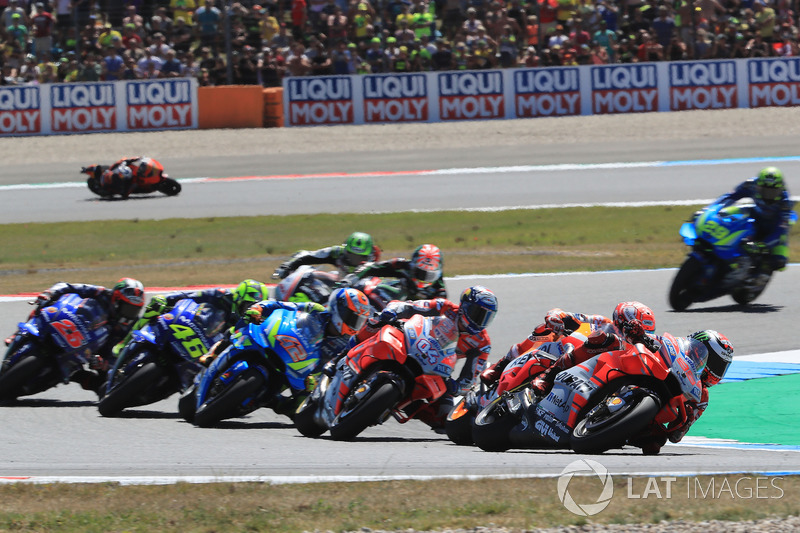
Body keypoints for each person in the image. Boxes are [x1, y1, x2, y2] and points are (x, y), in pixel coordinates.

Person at [202, 287, 373, 417]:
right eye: (352, 318)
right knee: (240, 327)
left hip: (302, 373)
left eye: (358, 321)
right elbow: (281, 306)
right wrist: (260, 309)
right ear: (338, 310)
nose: (354, 325)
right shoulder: (315, 309)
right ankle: (215, 353)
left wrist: (318, 380)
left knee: (299, 409)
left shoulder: (345, 343)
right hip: (283, 346)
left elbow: (338, 368)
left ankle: (268, 401)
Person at [353, 285, 499, 430]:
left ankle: (397, 404)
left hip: (435, 369)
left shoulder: (482, 344)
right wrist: (391, 311)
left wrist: (457, 387)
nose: (480, 321)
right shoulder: (444, 307)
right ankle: (348, 351)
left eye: (486, 318)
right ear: (465, 306)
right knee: (377, 324)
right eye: (477, 313)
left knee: (446, 419)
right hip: (412, 343)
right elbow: (409, 306)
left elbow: (470, 377)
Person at [480, 301, 656, 386]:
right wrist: (557, 317)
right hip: (565, 354)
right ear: (620, 322)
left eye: (646, 332)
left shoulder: (642, 349)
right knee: (544, 332)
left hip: (592, 378)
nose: (637, 334)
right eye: (634, 328)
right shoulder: (602, 323)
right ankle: (500, 366)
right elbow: (566, 315)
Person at [18, 279, 145, 395]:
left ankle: (74, 374)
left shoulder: (131, 326)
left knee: (104, 383)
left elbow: (122, 353)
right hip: (71, 327)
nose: (130, 314)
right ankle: (17, 335)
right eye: (128, 308)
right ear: (116, 299)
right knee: (44, 305)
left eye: (135, 310)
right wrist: (49, 293)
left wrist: (105, 364)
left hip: (92, 350)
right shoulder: (100, 293)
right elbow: (66, 286)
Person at [630, 330, 734, 454]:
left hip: (647, 417)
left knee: (655, 443)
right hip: (636, 372)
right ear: (699, 350)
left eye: (722, 367)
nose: (717, 371)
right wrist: (639, 333)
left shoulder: (702, 395)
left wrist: (685, 420)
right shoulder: (672, 346)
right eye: (716, 364)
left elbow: (675, 437)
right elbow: (646, 337)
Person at [114, 279, 271, 357]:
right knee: (155, 307)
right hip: (193, 327)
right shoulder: (222, 295)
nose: (248, 311)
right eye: (246, 306)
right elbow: (191, 295)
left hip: (208, 350)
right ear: (238, 298)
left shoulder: (251, 321)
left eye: (254, 308)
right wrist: (166, 299)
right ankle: (125, 342)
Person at [714, 166, 795, 274]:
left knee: (779, 261)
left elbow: (780, 230)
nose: (768, 195)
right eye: (765, 190)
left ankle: (758, 279)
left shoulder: (785, 202)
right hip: (754, 216)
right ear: (758, 186)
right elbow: (730, 196)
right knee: (726, 215)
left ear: (780, 189)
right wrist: (714, 210)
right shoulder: (750, 184)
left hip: (772, 225)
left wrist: (763, 245)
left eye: (773, 192)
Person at [339, 243, 447, 301]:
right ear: (412, 265)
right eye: (419, 272)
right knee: (371, 282)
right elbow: (371, 267)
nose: (422, 278)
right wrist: (349, 280)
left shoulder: (440, 291)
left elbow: (440, 317)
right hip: (389, 306)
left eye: (429, 275)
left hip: (414, 322)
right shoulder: (402, 265)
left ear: (437, 273)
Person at [272, 231, 381, 280]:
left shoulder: (374, 267)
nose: (355, 261)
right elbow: (305, 255)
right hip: (338, 287)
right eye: (352, 256)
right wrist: (286, 267)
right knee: (309, 274)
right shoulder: (337, 252)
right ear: (346, 251)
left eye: (360, 258)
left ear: (369, 257)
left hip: (361, 298)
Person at [83, 157, 169, 198]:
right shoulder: (122, 185)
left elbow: (122, 160)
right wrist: (126, 192)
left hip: (117, 173)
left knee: (101, 168)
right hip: (115, 186)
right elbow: (124, 195)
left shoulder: (115, 170)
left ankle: (88, 169)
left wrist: (132, 160)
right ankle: (87, 169)